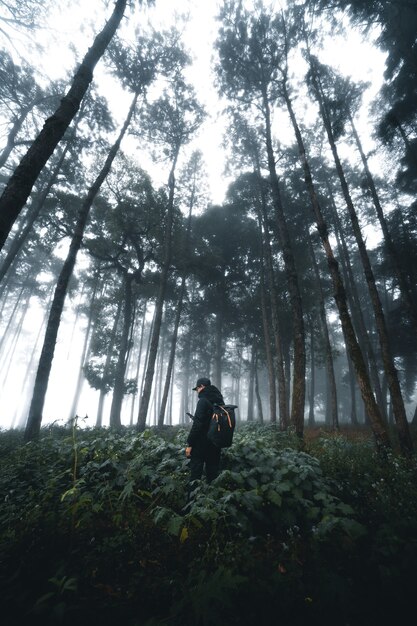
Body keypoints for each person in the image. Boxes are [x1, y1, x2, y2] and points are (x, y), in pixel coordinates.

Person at [185, 377, 224, 485]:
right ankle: (211, 500)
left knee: (195, 478)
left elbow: (197, 425)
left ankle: (192, 500)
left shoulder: (203, 401)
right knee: (213, 477)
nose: (197, 391)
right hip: (215, 444)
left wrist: (190, 444)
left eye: (197, 389)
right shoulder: (219, 401)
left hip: (200, 445)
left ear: (201, 386)